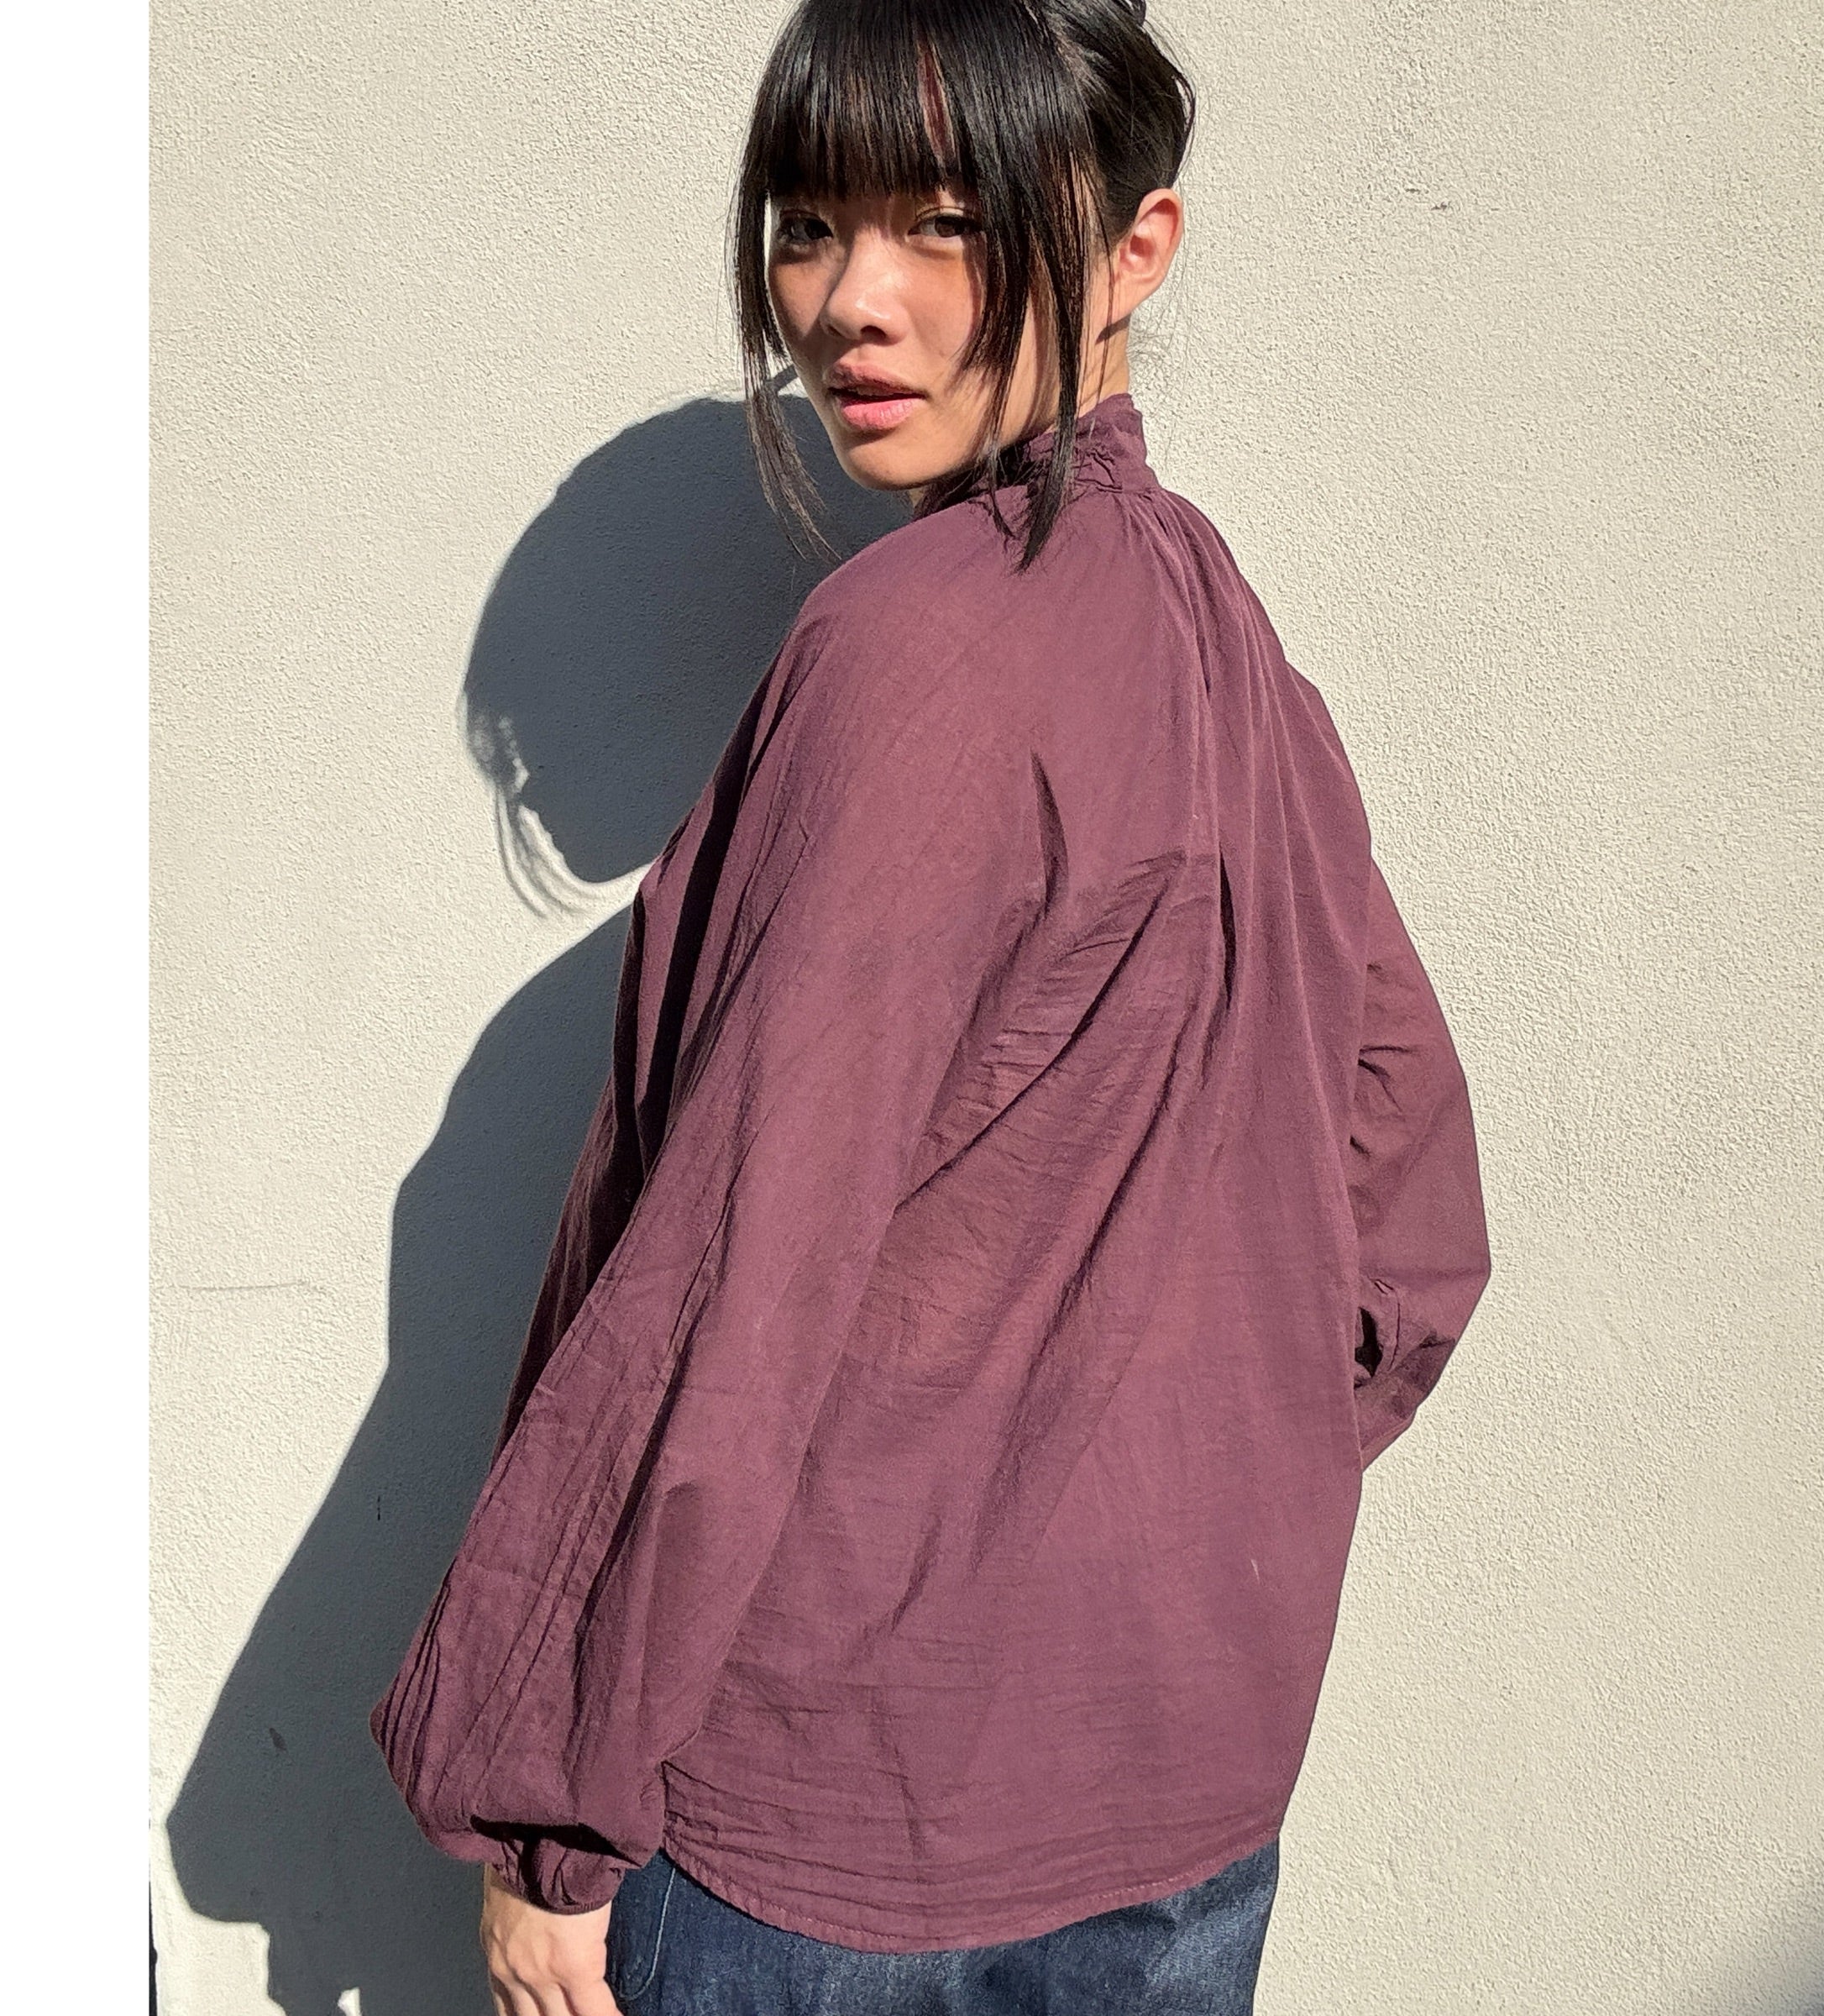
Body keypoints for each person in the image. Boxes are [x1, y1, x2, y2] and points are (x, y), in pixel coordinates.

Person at [370, 1, 1493, 2011]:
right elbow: (1405, 1210)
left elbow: (732, 1276)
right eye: (811, 225)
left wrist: (553, 1811)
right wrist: (1194, 1506)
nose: (849, 304)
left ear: (1138, 248)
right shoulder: (1225, 639)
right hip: (1188, 1787)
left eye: (946, 223)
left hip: (851, 1836)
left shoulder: (903, 652)